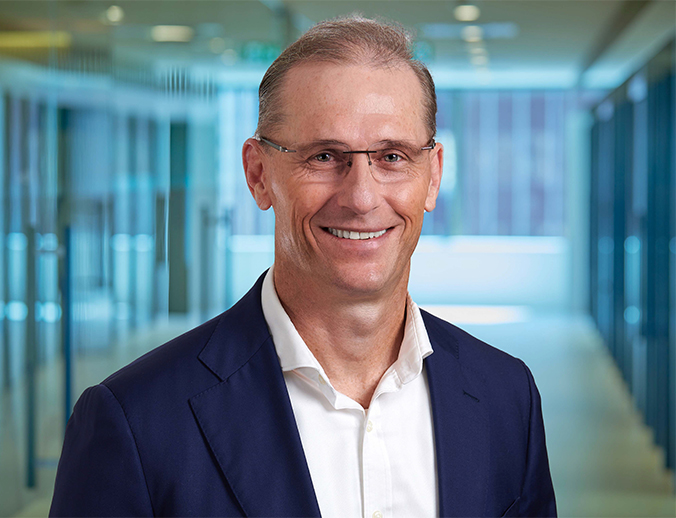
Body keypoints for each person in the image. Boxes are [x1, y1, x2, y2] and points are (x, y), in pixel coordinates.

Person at [50, 15, 556, 518]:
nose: (361, 197)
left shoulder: (506, 397)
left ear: (432, 176)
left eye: (393, 157)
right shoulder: (137, 421)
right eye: (324, 156)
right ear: (258, 175)